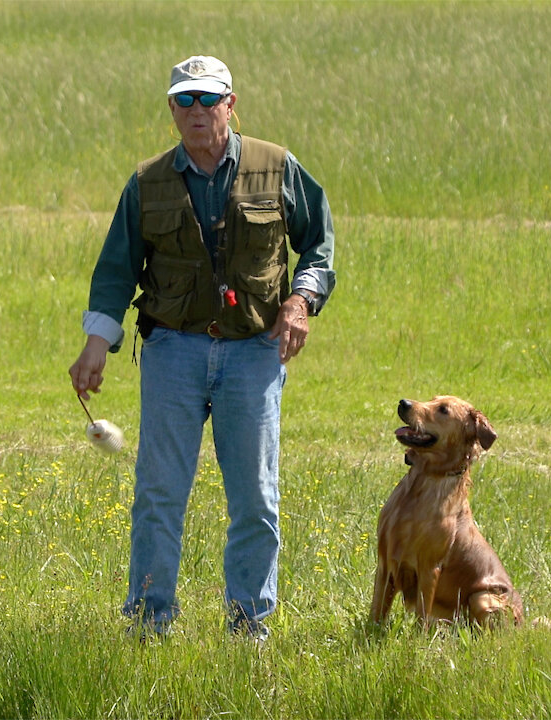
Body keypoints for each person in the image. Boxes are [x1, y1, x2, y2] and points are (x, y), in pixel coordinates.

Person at [68, 55, 336, 641]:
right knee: (159, 495)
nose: (196, 111)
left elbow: (318, 243)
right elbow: (116, 269)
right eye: (184, 100)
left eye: (208, 99)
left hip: (253, 355)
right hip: (173, 351)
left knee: (256, 501)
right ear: (171, 109)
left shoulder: (277, 166)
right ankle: (148, 626)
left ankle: (249, 631)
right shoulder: (147, 182)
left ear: (230, 104)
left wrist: (299, 304)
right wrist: (95, 346)